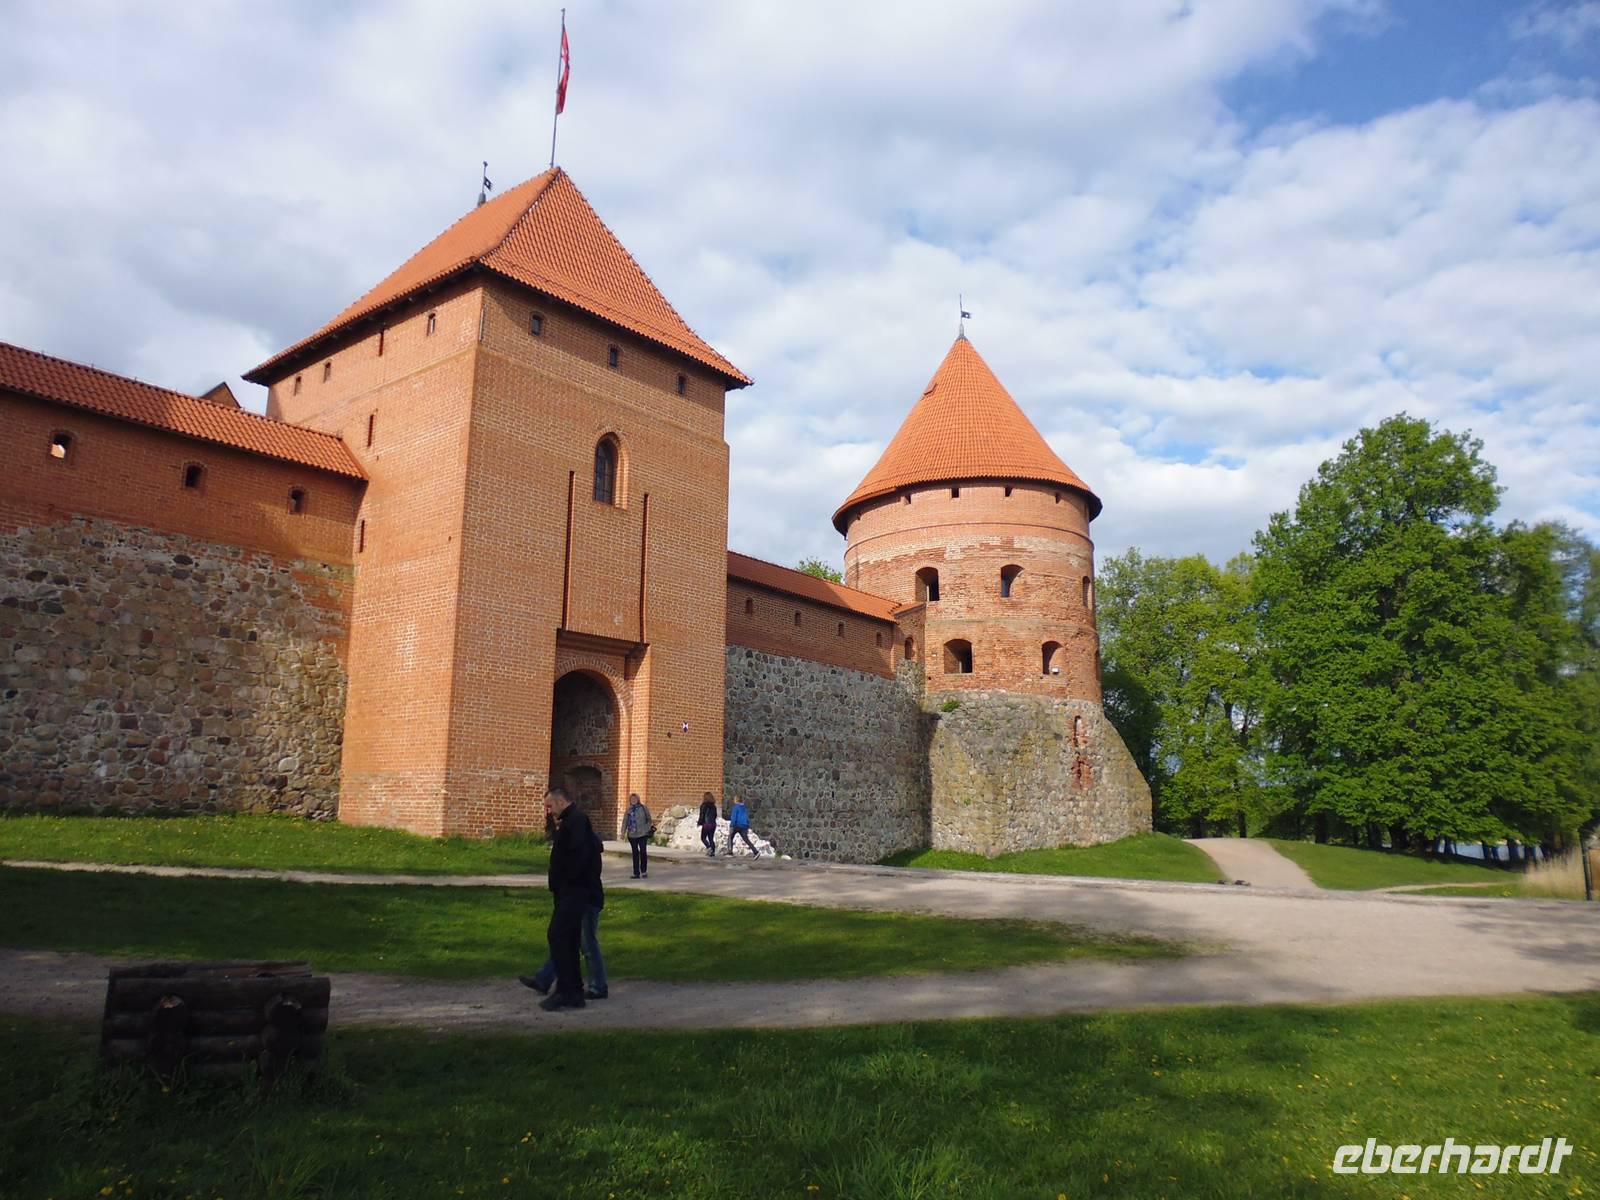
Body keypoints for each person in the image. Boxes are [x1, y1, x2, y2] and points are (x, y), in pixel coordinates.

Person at [519, 786, 605, 1009]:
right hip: (569, 892)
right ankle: (573, 991)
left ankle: (567, 990)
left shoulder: (577, 821)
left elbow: (580, 858)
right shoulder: (569, 821)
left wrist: (568, 882)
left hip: (574, 892)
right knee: (569, 939)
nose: (548, 811)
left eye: (550, 806)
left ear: (560, 801)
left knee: (559, 936)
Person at [623, 792, 653, 879]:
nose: (633, 800)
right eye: (632, 799)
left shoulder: (643, 808)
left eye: (635, 799)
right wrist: (623, 832)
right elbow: (625, 821)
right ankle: (636, 873)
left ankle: (644, 871)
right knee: (635, 853)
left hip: (642, 834)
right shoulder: (628, 810)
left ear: (638, 799)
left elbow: (649, 819)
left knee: (643, 852)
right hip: (632, 835)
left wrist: (646, 828)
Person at [698, 791, 720, 857]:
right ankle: (713, 852)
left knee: (703, 838)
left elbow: (702, 815)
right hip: (713, 824)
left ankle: (709, 847)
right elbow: (715, 815)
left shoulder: (703, 805)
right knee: (711, 838)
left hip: (706, 824)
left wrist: (700, 822)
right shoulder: (714, 806)